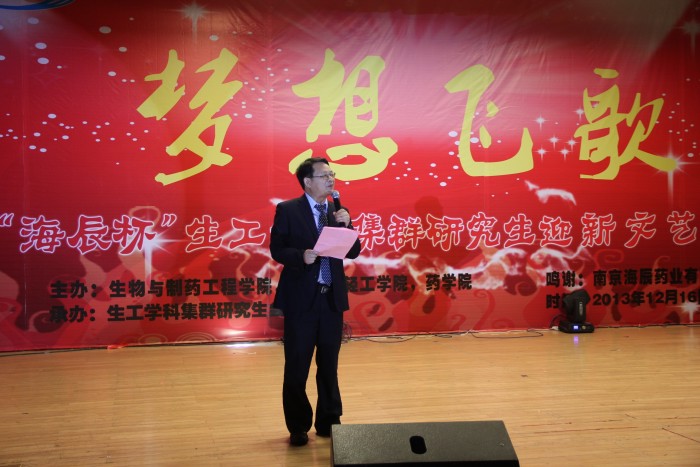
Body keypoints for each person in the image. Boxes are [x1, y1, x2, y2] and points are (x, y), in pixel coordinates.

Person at [270, 157, 362, 447]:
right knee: (297, 365)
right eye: (324, 175)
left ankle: (329, 421)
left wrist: (348, 225)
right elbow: (277, 249)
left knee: (329, 364)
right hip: (301, 301)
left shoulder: (337, 210)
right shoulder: (288, 210)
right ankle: (298, 426)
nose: (331, 179)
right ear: (307, 182)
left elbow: (353, 252)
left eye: (332, 174)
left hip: (331, 299)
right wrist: (301, 256)